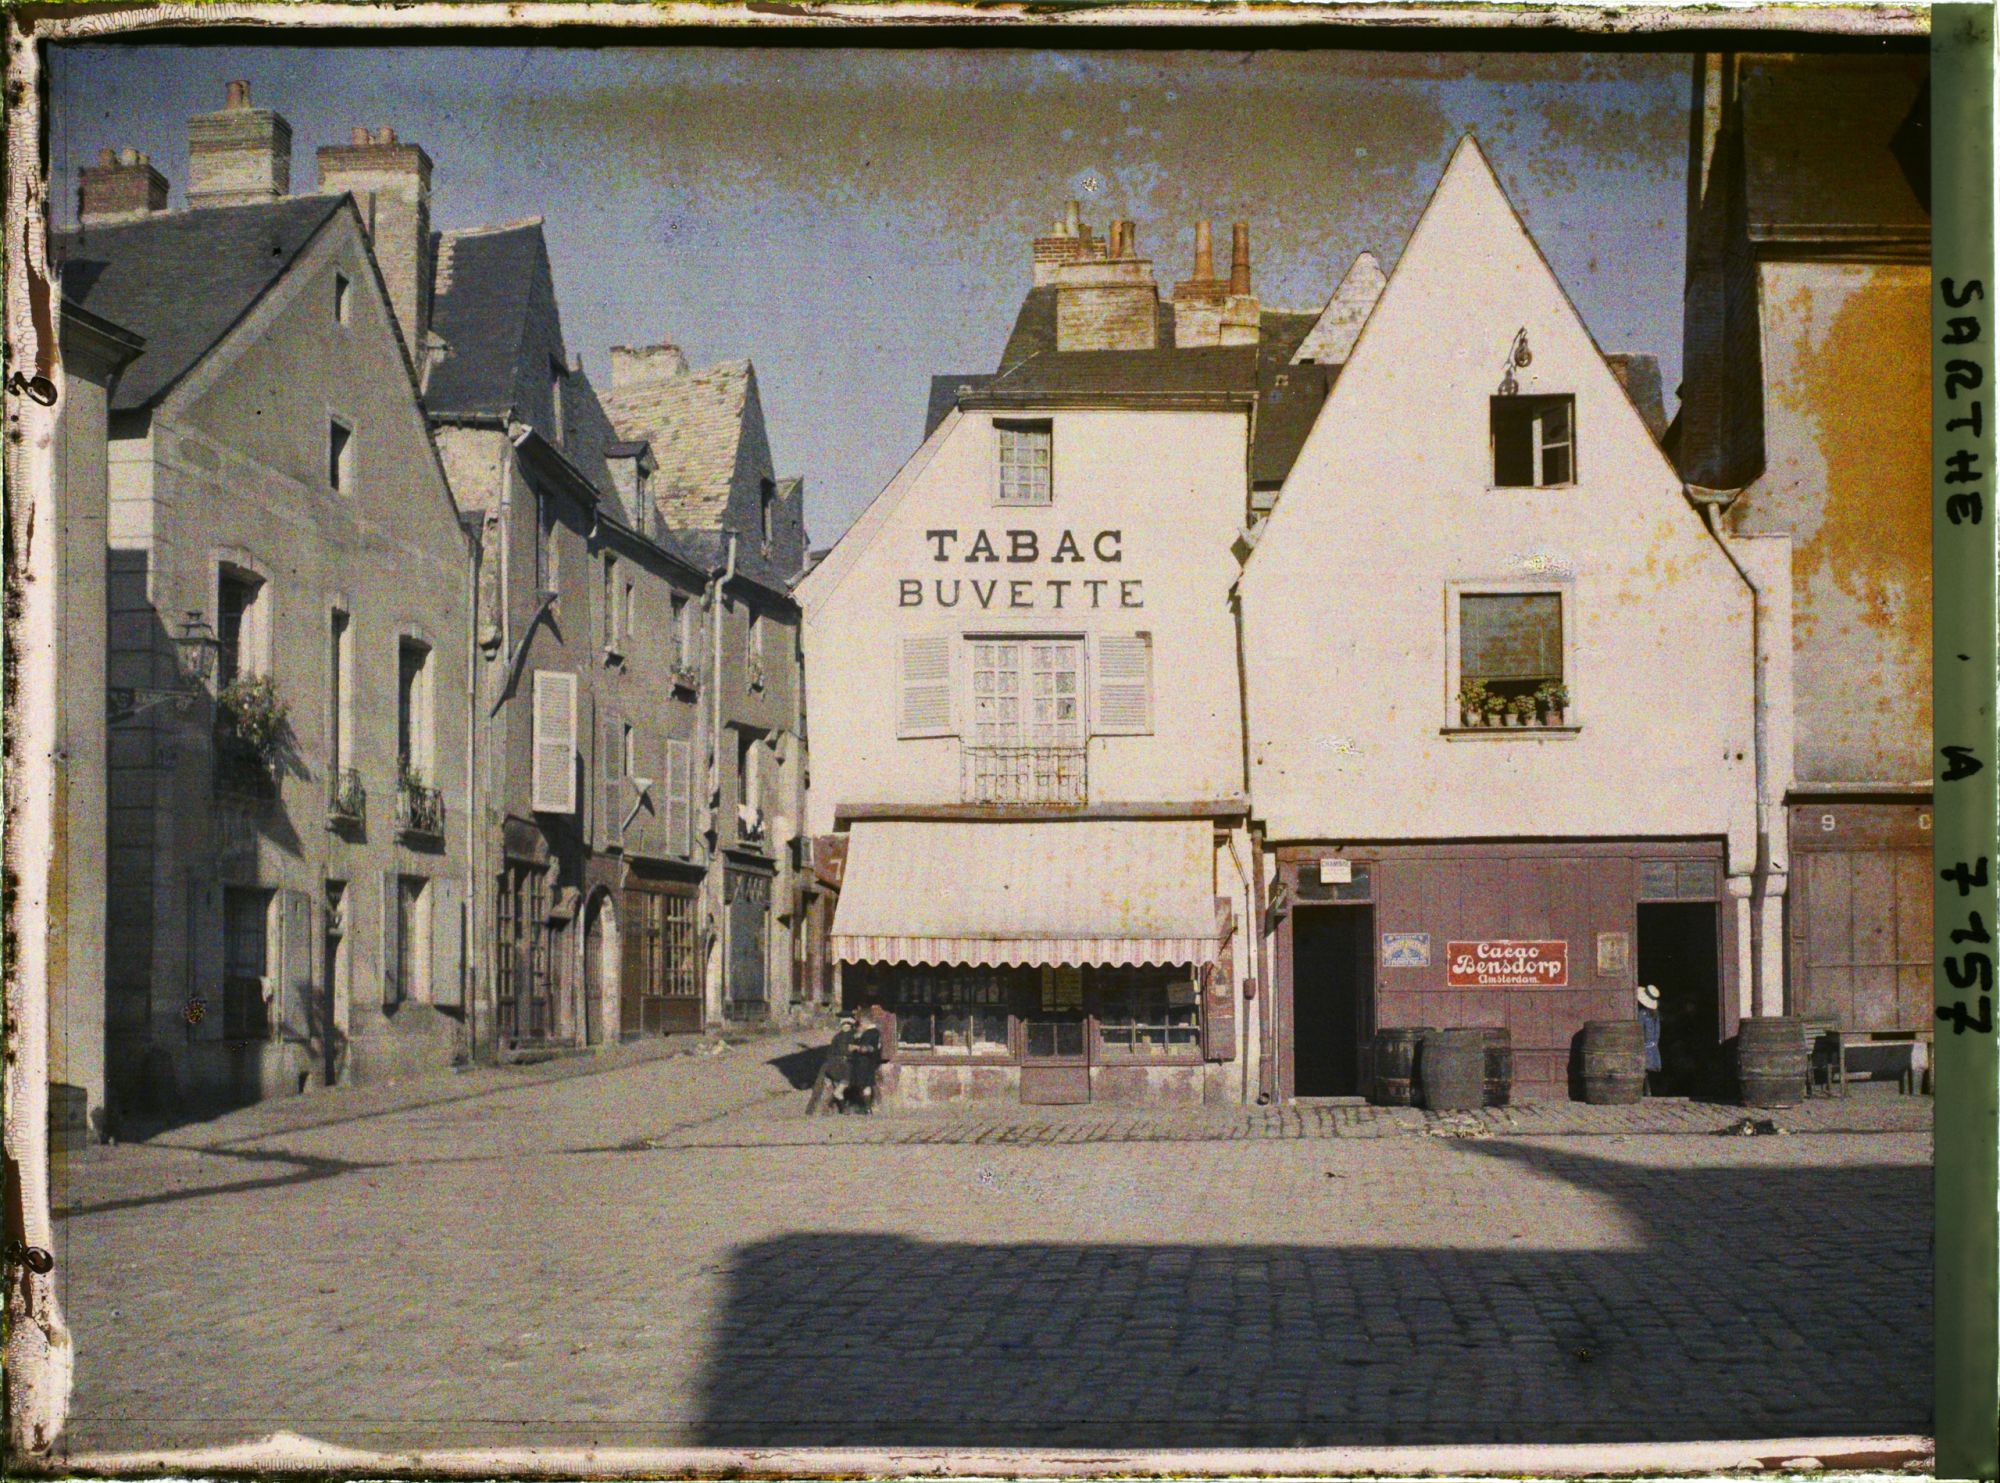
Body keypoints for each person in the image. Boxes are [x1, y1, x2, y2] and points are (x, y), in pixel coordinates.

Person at [806, 1015, 855, 1115]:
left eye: (848, 1024)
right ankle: (813, 1108)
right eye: (844, 1024)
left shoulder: (853, 1037)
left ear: (851, 1025)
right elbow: (831, 1052)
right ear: (841, 1025)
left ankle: (838, 1107)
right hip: (836, 1063)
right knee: (822, 1080)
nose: (846, 1026)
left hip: (846, 1064)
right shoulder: (837, 1037)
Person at [845, 1004, 884, 1114]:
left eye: (861, 1021)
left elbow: (869, 1048)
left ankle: (866, 1107)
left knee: (864, 1085)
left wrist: (856, 1047)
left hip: (865, 1063)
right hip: (867, 1062)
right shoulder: (874, 1032)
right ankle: (866, 1107)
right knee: (865, 1085)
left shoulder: (871, 1033)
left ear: (865, 1021)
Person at [1636, 984, 1663, 1096]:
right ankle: (1649, 1091)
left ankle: (1646, 1091)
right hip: (1652, 1045)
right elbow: (1657, 1032)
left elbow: (1639, 1029)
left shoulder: (1642, 1014)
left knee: (1643, 1069)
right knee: (1648, 1070)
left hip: (1645, 1045)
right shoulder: (1655, 1015)